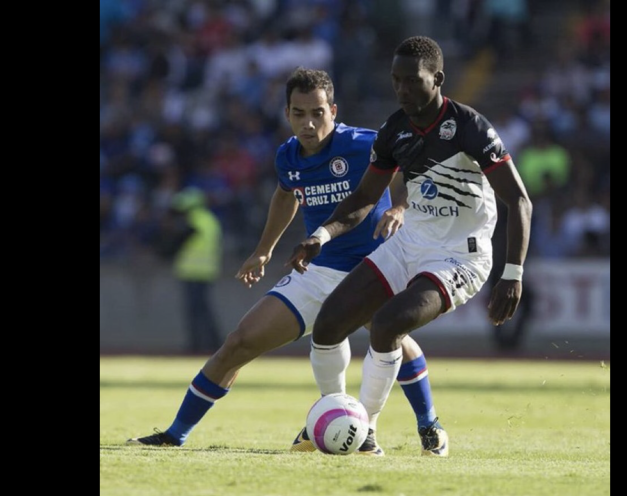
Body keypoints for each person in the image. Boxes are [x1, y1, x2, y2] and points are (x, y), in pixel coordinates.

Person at [128, 68, 445, 457]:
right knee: (240, 342)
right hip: (319, 268)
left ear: (333, 111)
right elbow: (286, 194)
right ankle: (175, 434)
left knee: (388, 334)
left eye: (317, 113)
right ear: (287, 114)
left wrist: (400, 207)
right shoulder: (288, 155)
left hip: (373, 268)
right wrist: (264, 249)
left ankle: (428, 425)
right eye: (299, 113)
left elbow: (424, 169)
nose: (308, 123)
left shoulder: (364, 144)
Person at [286, 36, 533, 456]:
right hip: (410, 243)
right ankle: (335, 416)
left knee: (387, 324)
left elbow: (519, 200)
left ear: (437, 79)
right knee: (328, 324)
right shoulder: (394, 130)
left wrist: (512, 274)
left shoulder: (469, 127)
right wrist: (321, 235)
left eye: (412, 80)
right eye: (396, 80)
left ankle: (364, 431)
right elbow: (365, 197)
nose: (402, 89)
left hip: (461, 256)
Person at [169, 187, 224, 353]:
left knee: (195, 311)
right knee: (204, 310)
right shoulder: (210, 220)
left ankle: (196, 345)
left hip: (192, 272)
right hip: (207, 271)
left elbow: (176, 242)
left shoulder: (194, 220)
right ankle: (214, 343)